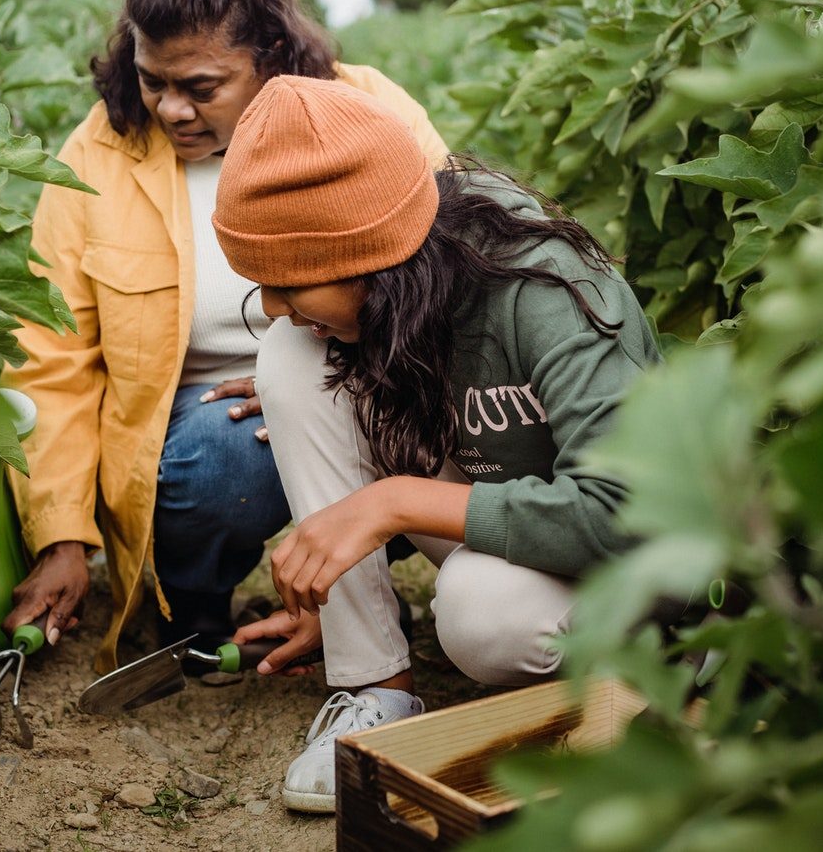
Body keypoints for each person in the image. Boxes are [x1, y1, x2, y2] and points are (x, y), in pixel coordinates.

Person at [211, 76, 662, 812]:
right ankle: (375, 685)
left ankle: (655, 669)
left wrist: (394, 502)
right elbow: (321, 362)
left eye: (290, 282)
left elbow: (625, 513)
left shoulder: (544, 288)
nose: (271, 306)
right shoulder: (391, 297)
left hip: (629, 563)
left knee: (480, 613)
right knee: (287, 361)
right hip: (512, 524)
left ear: (372, 254)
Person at [1, 0, 448, 674]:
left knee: (395, 431)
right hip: (210, 412)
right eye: (154, 80)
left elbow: (440, 274)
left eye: (201, 88)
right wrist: (61, 537)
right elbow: (51, 355)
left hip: (363, 379)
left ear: (269, 56)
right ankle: (191, 599)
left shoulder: (371, 111)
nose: (172, 109)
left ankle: (356, 590)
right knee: (220, 462)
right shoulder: (98, 153)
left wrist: (313, 381)